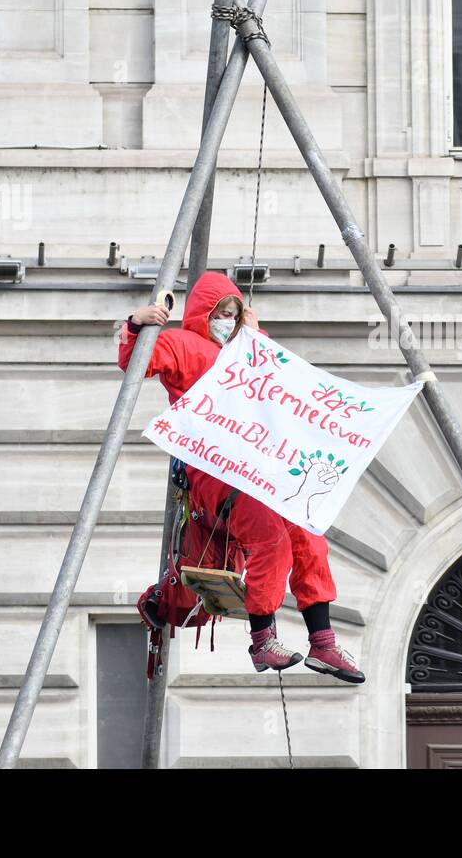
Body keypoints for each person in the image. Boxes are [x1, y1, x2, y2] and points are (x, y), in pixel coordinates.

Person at [118, 271, 365, 684]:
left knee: (308, 533)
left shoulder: (245, 350)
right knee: (272, 537)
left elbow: (276, 383)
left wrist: (256, 335)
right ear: (204, 314)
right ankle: (262, 638)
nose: (226, 321)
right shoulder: (182, 345)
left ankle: (322, 640)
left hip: (258, 468)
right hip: (217, 471)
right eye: (220, 313)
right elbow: (134, 365)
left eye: (233, 314)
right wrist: (135, 325)